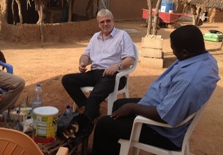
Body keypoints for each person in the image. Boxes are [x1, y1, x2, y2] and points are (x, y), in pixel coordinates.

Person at [92, 25, 220, 155]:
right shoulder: (203, 58)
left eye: (174, 50)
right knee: (119, 104)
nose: (173, 53)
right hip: (164, 104)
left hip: (162, 132)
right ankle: (113, 147)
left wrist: (133, 108)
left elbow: (164, 116)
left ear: (185, 52)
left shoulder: (189, 81)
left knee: (104, 125)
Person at [61, 9, 136, 136]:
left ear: (113, 21)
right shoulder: (95, 37)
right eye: (102, 22)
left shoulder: (122, 35)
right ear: (98, 24)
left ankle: (84, 127)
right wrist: (82, 63)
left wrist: (116, 66)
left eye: (108, 21)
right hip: (95, 73)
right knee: (67, 80)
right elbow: (85, 55)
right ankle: (91, 109)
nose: (105, 24)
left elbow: (130, 59)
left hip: (114, 76)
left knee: (94, 96)